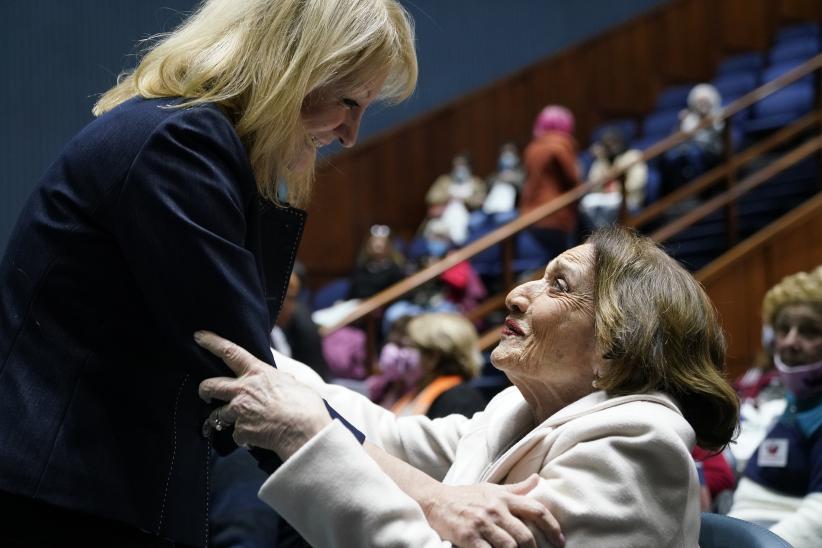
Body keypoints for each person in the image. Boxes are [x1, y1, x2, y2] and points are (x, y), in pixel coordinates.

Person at [0, 0, 417, 546]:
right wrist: (427, 503)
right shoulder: (182, 142)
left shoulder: (179, 131)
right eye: (348, 102)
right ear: (292, 66)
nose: (351, 135)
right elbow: (245, 374)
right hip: (68, 497)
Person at [197, 225, 740, 547]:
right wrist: (261, 358)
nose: (517, 294)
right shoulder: (514, 412)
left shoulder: (637, 451)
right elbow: (387, 438)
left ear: (614, 347)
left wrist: (307, 439)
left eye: (558, 285)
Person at [728, 266, 822, 548]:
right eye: (784, 329)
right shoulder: (798, 403)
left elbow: (817, 521)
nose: (790, 342)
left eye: (809, 331)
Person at [387, 313, 487, 419]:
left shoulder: (460, 400)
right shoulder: (415, 392)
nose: (402, 355)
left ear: (433, 357)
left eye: (410, 347)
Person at [518, 105, 581, 258]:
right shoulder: (560, 145)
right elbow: (573, 179)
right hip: (555, 215)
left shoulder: (532, 148)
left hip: (530, 216)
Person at [579, 127, 647, 229]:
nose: (612, 146)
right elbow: (593, 183)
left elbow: (638, 182)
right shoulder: (601, 160)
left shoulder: (633, 155)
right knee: (587, 202)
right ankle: (602, 235)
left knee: (612, 206)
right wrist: (601, 159)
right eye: (608, 144)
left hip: (629, 198)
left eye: (614, 142)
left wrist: (618, 188)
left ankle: (612, 236)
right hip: (606, 197)